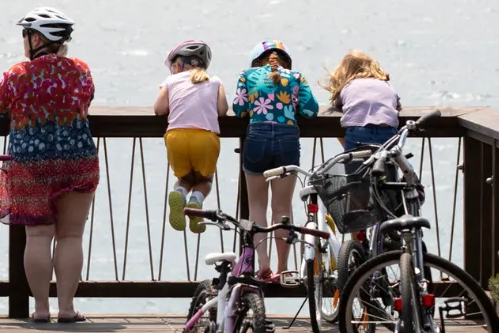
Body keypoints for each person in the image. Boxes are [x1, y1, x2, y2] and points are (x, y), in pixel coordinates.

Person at [0, 7, 99, 324]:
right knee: (70, 237)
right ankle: (65, 308)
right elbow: (86, 100)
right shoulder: (80, 70)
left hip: (32, 164)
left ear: (36, 38)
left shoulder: (18, 74)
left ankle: (39, 309)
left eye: (26, 34)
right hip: (77, 160)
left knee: (37, 237)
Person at [233, 39, 319, 279]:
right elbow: (312, 110)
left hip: (257, 139)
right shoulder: (296, 77)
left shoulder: (247, 75)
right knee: (282, 207)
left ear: (256, 60)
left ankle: (263, 264)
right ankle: (283, 268)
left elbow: (239, 108)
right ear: (285, 60)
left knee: (257, 206)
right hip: (287, 140)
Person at [154, 40, 227, 232]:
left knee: (185, 178)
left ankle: (180, 193)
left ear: (178, 65)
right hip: (204, 138)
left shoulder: (170, 81)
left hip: (176, 136)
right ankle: (195, 202)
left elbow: (159, 109)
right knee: (204, 181)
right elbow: (222, 110)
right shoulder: (215, 81)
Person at [325, 50, 402, 151]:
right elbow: (397, 104)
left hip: (358, 131)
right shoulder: (386, 84)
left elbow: (337, 103)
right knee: (386, 164)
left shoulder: (348, 86)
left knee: (357, 165)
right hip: (387, 130)